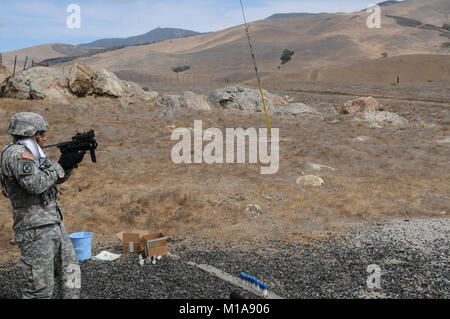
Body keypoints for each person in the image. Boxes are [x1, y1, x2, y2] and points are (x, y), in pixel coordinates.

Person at [1, 112, 85, 299]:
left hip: (54, 223)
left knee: (71, 277)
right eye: (41, 133)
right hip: (34, 230)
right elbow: (36, 185)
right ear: (29, 132)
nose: (45, 138)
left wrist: (70, 162)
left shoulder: (34, 153)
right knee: (40, 289)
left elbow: (55, 178)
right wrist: (59, 166)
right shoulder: (17, 154)